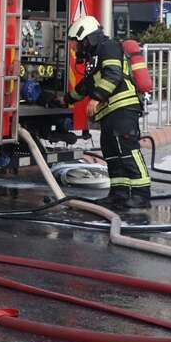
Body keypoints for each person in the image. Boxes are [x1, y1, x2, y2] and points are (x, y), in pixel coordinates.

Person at [62, 15, 150, 210]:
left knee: (127, 151)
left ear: (87, 37)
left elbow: (113, 74)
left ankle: (141, 195)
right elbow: (86, 85)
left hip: (123, 108)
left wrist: (96, 98)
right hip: (110, 112)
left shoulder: (108, 47)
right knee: (112, 153)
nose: (76, 48)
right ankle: (118, 194)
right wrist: (65, 99)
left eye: (77, 43)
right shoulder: (95, 56)